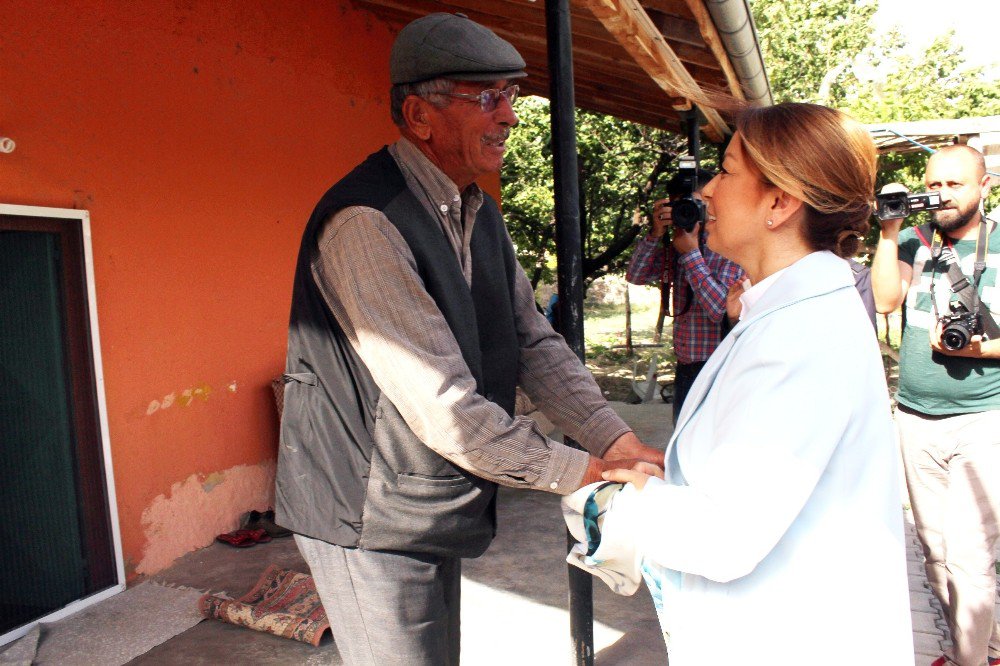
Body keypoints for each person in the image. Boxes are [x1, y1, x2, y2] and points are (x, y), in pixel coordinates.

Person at [273, 13, 662, 665]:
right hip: (365, 510)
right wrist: (586, 472)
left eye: (513, 94)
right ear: (420, 115)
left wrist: (614, 438)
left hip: (424, 497)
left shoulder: (474, 210)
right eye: (488, 97)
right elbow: (445, 408)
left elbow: (533, 341)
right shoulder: (367, 223)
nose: (510, 116)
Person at [565, 103, 914, 664]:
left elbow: (724, 536)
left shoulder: (800, 336)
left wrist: (618, 496)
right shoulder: (789, 312)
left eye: (726, 172)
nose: (706, 193)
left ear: (779, 202)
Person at [871, 144, 999, 666]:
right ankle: (980, 649)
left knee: (972, 558)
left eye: (956, 184)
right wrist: (885, 231)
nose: (942, 195)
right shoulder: (911, 241)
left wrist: (979, 347)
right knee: (936, 551)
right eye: (935, 183)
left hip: (985, 417)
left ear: (985, 186)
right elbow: (883, 301)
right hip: (917, 415)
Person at [626, 172, 745, 422]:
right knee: (683, 433)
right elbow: (636, 275)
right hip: (685, 364)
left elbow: (721, 310)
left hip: (719, 364)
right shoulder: (677, 244)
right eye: (678, 206)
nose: (686, 211)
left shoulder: (729, 245)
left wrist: (691, 255)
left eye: (694, 205)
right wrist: (655, 234)